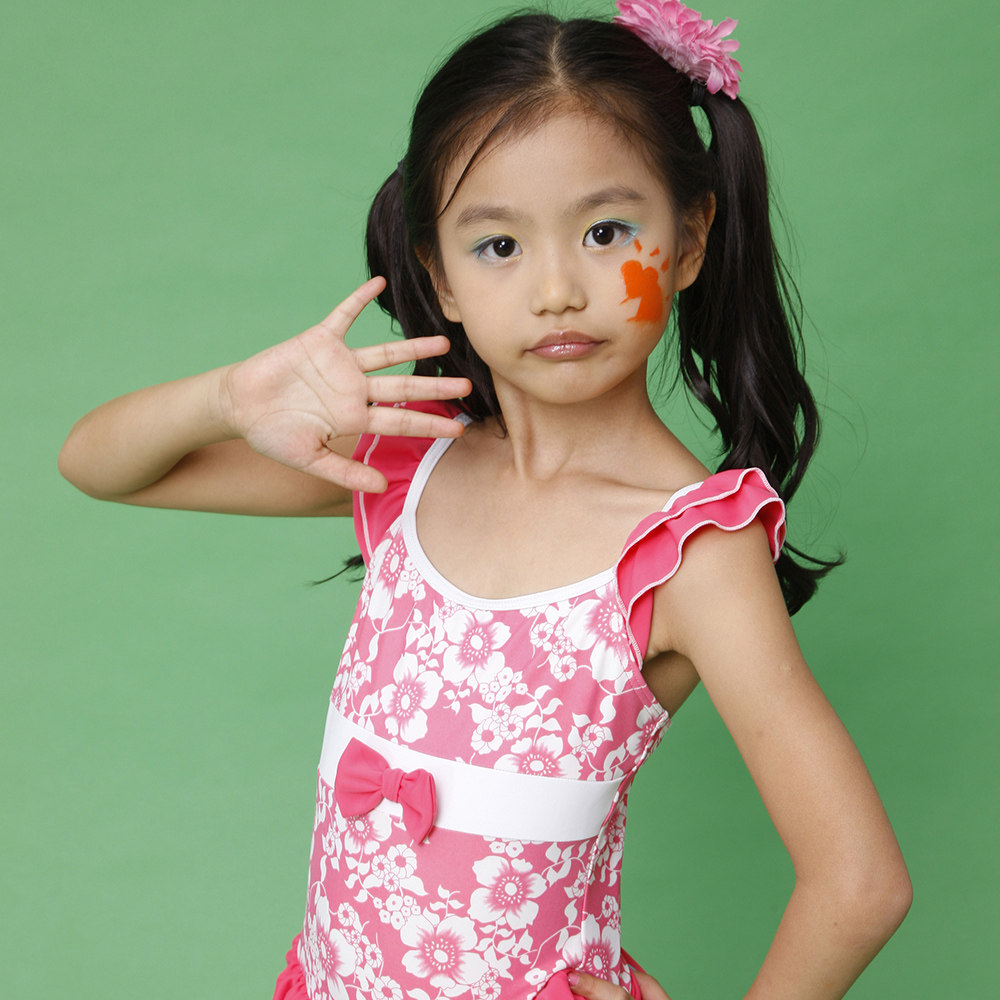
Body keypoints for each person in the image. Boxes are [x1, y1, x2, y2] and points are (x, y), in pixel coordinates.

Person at [58, 3, 912, 998]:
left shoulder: (689, 551)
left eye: (605, 232)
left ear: (688, 240)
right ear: (440, 275)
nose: (556, 289)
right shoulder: (411, 460)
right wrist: (227, 398)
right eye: (498, 246)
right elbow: (98, 464)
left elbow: (860, 882)